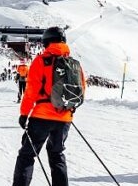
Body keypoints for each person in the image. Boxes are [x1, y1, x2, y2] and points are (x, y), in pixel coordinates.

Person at [12, 26, 85, 186]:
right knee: (57, 154)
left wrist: (24, 114)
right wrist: (66, 111)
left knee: (27, 155)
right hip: (64, 118)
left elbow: (31, 91)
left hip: (41, 117)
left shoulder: (41, 61)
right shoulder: (74, 64)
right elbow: (81, 90)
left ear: (46, 42)